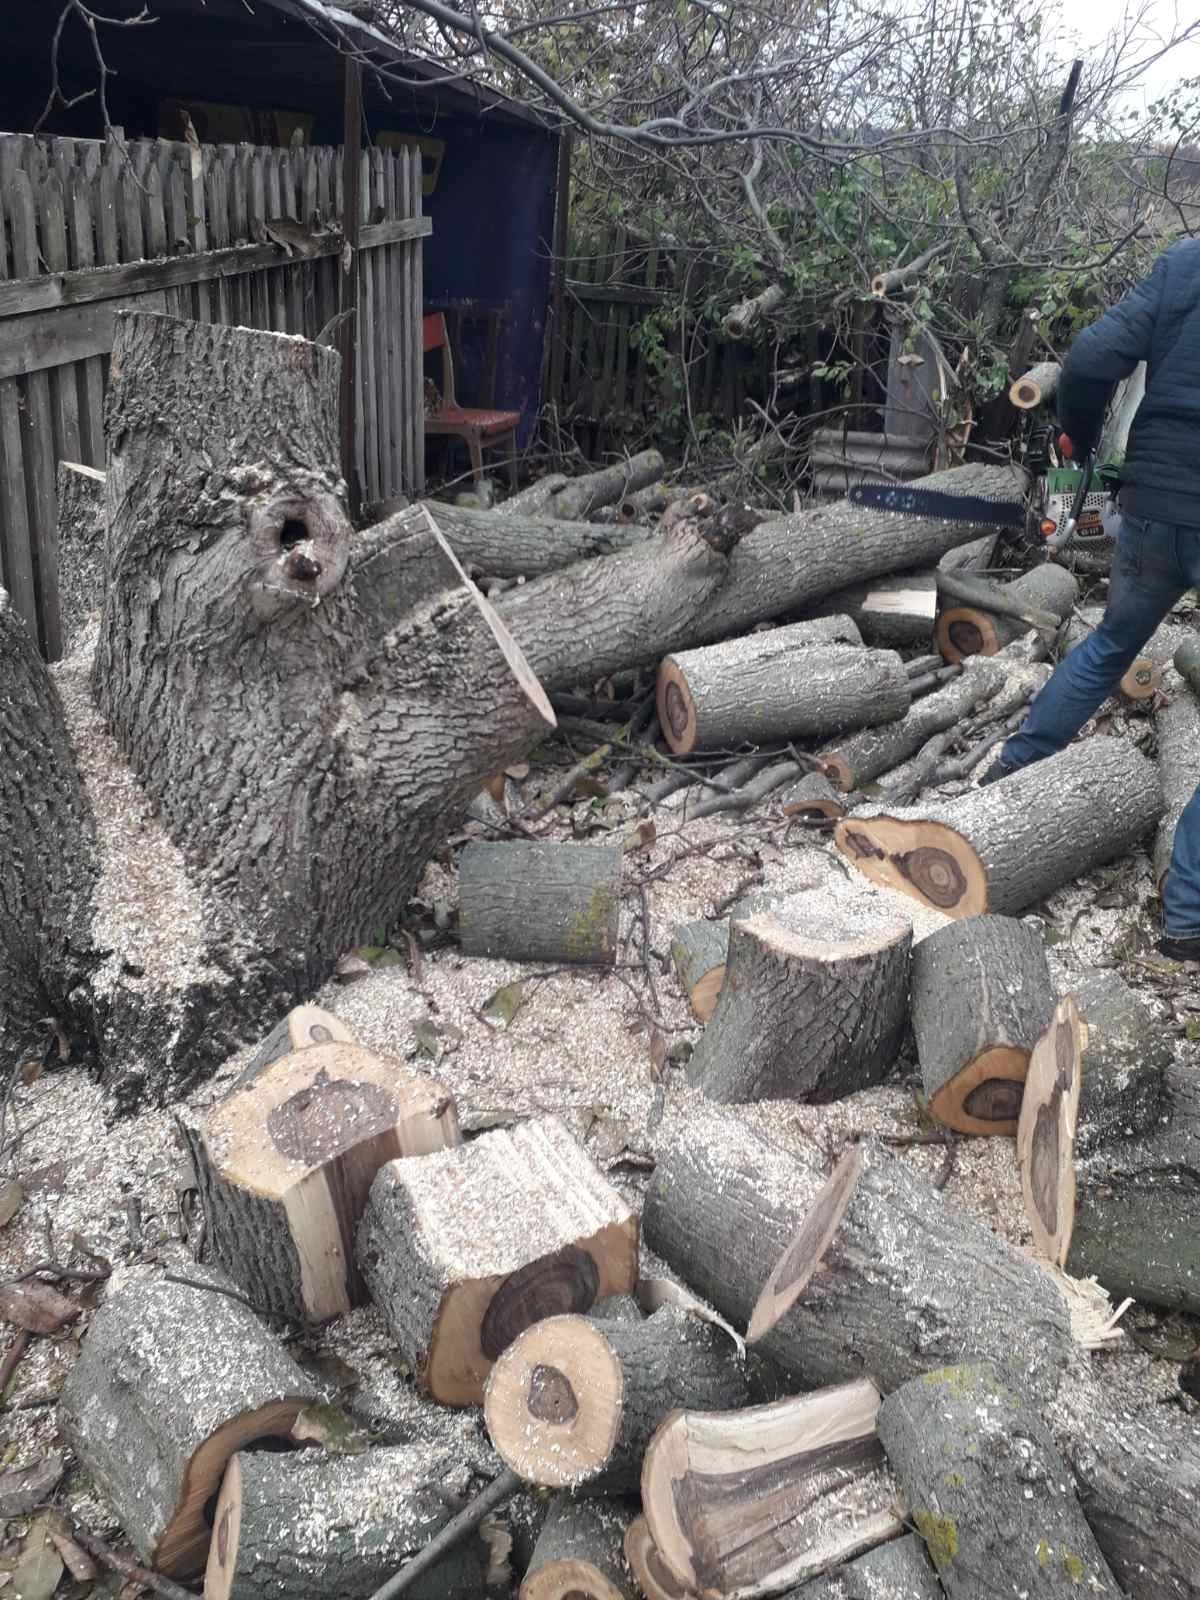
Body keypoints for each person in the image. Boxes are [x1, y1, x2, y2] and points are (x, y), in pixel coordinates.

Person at [980, 236, 1200, 961]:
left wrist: (1076, 433)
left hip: (1153, 497)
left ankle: (1007, 780)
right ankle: (1188, 915)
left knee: (1109, 644)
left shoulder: (1186, 264)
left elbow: (1089, 357)